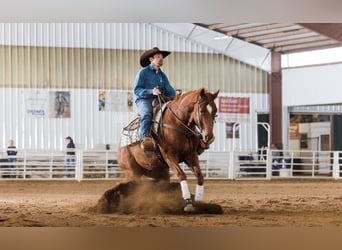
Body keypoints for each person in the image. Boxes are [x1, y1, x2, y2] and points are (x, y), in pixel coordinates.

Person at [133, 47, 176, 151]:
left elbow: (169, 89)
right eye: (158, 57)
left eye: (162, 57)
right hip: (144, 99)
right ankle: (145, 138)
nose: (161, 58)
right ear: (151, 59)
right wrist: (151, 91)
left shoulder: (162, 75)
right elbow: (137, 90)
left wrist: (176, 96)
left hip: (159, 99)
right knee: (147, 113)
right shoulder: (143, 72)